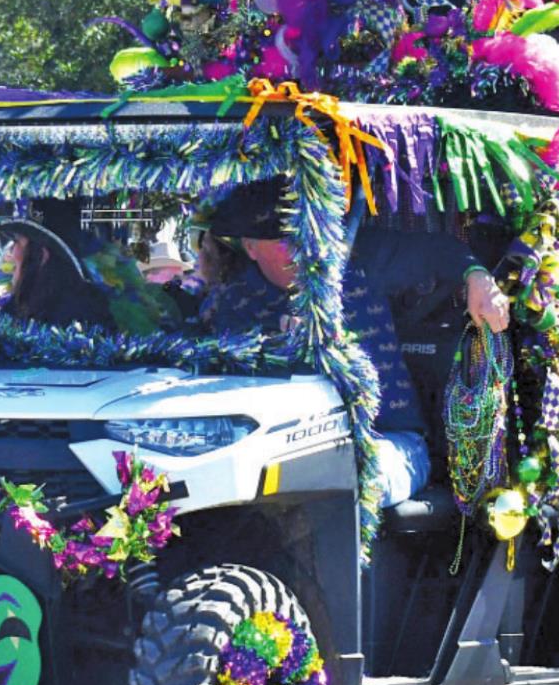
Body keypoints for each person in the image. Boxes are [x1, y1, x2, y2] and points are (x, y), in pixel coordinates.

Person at [204, 179, 510, 507]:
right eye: (284, 240)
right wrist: (276, 346)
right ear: (250, 247)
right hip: (272, 449)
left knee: (343, 479)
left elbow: (440, 252)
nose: (302, 249)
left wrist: (477, 277)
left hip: (388, 441)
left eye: (305, 233)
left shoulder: (358, 257)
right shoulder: (233, 305)